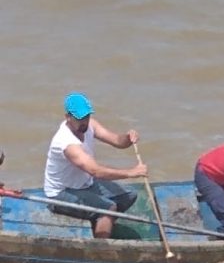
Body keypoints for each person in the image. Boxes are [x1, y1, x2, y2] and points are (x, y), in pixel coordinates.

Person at [43, 92, 148, 238]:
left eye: (86, 116)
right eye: (79, 118)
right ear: (68, 117)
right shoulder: (66, 143)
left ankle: (99, 223)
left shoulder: (90, 125)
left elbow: (117, 141)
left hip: (85, 184)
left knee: (129, 196)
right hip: (61, 193)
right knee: (108, 208)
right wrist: (131, 173)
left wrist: (128, 138)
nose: (84, 122)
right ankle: (100, 248)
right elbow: (95, 171)